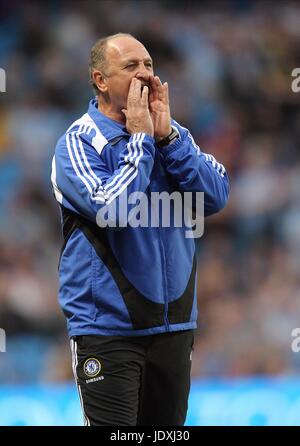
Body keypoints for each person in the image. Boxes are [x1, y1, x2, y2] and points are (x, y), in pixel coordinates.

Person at [51, 33, 229, 426]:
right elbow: (112, 208)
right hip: (108, 331)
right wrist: (142, 142)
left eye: (148, 65)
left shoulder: (171, 134)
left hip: (174, 327)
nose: (145, 75)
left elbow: (216, 195)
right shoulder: (79, 143)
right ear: (100, 80)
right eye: (131, 67)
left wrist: (167, 139)